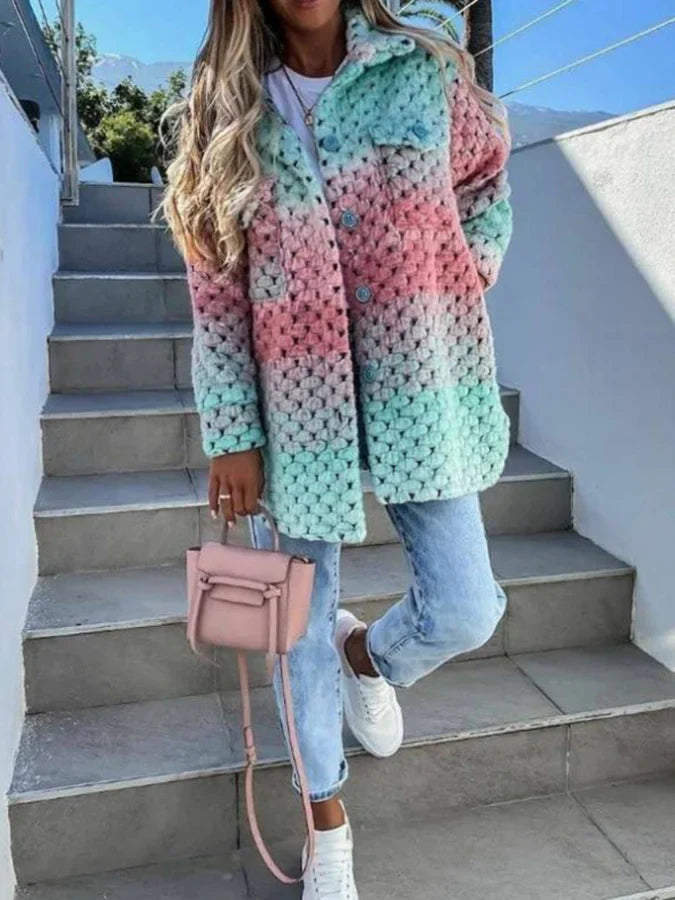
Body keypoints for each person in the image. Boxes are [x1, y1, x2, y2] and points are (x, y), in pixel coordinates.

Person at [162, 0, 512, 895]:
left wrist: (466, 269)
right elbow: (216, 293)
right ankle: (325, 824)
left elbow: (483, 176)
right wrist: (232, 433)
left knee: (466, 607)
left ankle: (369, 658)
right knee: (297, 632)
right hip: (295, 409)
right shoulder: (222, 108)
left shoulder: (420, 69)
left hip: (419, 388)